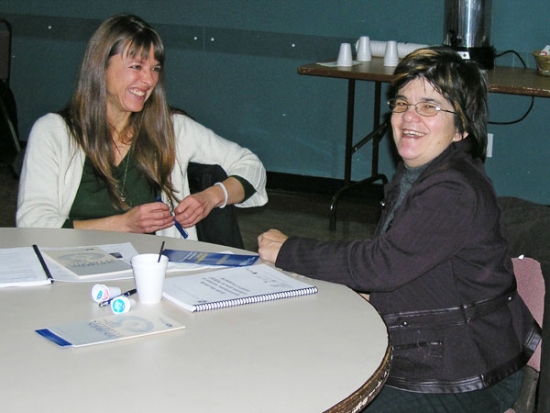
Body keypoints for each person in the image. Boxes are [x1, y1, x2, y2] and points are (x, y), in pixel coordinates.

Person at [258, 46, 541, 413]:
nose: (410, 116)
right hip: (442, 348)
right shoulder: (419, 175)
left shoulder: (452, 189)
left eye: (429, 106)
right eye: (402, 103)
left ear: (463, 128)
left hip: (468, 375)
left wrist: (288, 250)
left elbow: (383, 264)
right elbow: (411, 264)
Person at [16, 14, 267, 240]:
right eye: (136, 66)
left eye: (155, 69)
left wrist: (212, 197)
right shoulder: (53, 132)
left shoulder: (171, 129)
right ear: (100, 67)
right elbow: (32, 223)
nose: (149, 80)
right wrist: (123, 224)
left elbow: (251, 167)